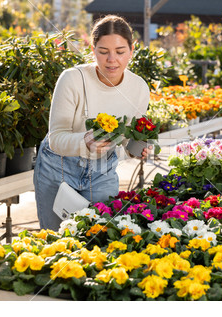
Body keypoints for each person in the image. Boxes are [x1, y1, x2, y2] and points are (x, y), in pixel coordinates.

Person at [33, 15, 150, 230]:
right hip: (58, 167)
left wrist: (137, 148)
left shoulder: (139, 88)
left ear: (132, 51)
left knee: (100, 236)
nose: (111, 59)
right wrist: (84, 141)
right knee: (54, 238)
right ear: (93, 50)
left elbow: (126, 138)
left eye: (120, 52)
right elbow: (55, 139)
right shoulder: (73, 79)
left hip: (102, 170)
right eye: (103, 52)